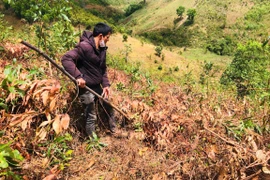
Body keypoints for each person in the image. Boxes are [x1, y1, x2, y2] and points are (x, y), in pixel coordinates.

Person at [61, 22, 117, 137]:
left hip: (97, 86)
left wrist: (106, 85)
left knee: (109, 107)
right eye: (107, 37)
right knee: (91, 116)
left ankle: (113, 130)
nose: (108, 40)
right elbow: (66, 59)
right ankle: (93, 141)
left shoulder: (102, 49)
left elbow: (103, 68)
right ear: (101, 36)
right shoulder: (84, 47)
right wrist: (78, 76)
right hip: (85, 88)